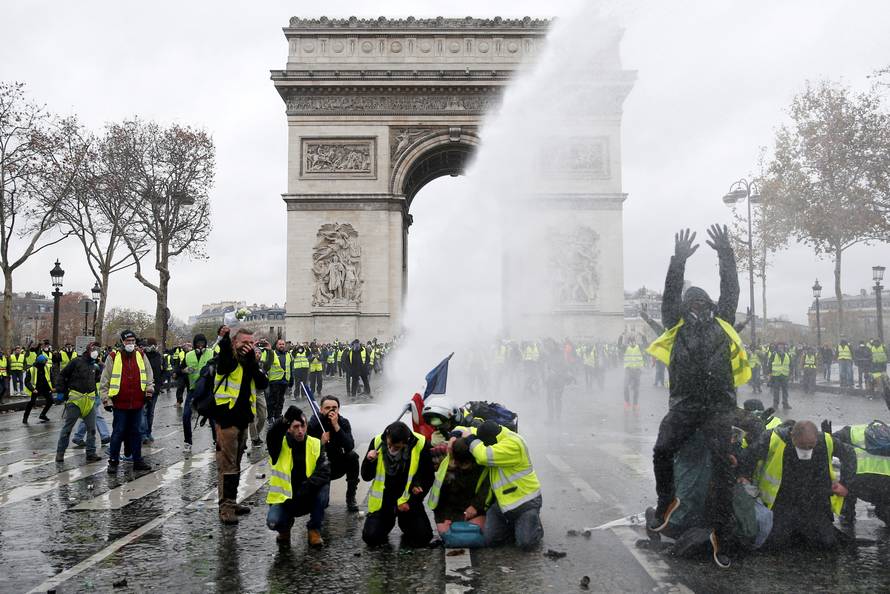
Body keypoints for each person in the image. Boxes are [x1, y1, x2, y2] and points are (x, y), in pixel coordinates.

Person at [645, 225, 747, 569]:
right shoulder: (675, 325)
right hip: (687, 405)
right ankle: (665, 502)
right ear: (685, 307)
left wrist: (725, 253)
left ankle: (723, 535)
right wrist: (678, 261)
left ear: (712, 306)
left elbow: (731, 288)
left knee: (722, 474)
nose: (698, 307)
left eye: (703, 303)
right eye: (693, 303)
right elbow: (669, 295)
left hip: (718, 408)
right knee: (661, 451)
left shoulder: (725, 321)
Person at [738, 420, 852, 550]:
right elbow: (748, 456)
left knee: (826, 543)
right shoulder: (773, 439)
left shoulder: (825, 441)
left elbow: (850, 455)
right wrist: (744, 476)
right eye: (802, 445)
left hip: (813, 502)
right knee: (774, 544)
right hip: (781, 502)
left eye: (811, 446)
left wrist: (845, 484)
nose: (806, 450)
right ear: (793, 436)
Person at [452, 420, 543, 551]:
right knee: (491, 540)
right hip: (502, 504)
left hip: (525, 503)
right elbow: (465, 429)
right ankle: (516, 525)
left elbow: (483, 456)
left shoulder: (513, 444)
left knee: (525, 544)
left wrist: (471, 439)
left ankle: (535, 526)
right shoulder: (494, 432)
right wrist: (454, 435)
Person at [213, 327, 268, 524]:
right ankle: (225, 507)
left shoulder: (250, 362)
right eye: (244, 342)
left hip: (244, 418)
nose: (248, 346)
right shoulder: (228, 359)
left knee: (236, 463)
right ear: (235, 343)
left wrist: (253, 360)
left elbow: (262, 383)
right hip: (226, 417)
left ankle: (232, 501)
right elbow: (225, 356)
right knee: (226, 464)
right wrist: (225, 337)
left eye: (251, 343)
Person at [361, 421, 434, 547]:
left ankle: (405, 523)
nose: (391, 449)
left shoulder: (420, 444)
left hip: (407, 500)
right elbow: (366, 476)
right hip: (384, 502)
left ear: (406, 441)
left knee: (423, 537)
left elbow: (428, 477)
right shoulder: (378, 441)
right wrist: (369, 461)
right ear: (387, 436)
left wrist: (412, 501)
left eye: (397, 447)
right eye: (389, 445)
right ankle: (387, 522)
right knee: (371, 538)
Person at [266, 406, 330, 547]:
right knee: (273, 522)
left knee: (324, 487)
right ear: (289, 428)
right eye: (295, 426)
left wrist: (305, 488)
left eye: (303, 426)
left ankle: (314, 529)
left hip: (307, 495)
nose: (300, 430)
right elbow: (271, 435)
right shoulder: (279, 445)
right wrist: (284, 420)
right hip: (285, 499)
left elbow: (324, 472)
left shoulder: (316, 444)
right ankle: (284, 529)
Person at [100, 330, 155, 473]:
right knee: (118, 432)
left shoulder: (141, 356)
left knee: (136, 432)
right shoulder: (113, 356)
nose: (130, 344)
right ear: (122, 342)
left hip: (137, 402)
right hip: (120, 403)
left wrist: (149, 392)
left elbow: (149, 376)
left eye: (132, 341)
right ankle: (113, 461)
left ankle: (137, 460)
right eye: (127, 341)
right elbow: (105, 380)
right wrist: (106, 400)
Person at [429, 437, 490, 539]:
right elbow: (440, 501)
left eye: (467, 464)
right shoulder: (445, 468)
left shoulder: (482, 464)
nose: (465, 467)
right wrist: (446, 518)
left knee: (478, 533)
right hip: (451, 510)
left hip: (474, 510)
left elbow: (486, 489)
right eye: (462, 464)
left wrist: (475, 506)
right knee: (446, 533)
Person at [307, 395, 360, 512]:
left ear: (338, 409)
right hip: (319, 466)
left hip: (337, 464)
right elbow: (306, 452)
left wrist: (336, 426)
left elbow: (349, 446)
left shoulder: (343, 422)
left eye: (334, 408)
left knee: (352, 457)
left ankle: (351, 497)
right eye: (327, 408)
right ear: (321, 409)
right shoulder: (314, 423)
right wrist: (321, 443)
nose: (331, 410)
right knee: (322, 504)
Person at [832, 422, 890, 526]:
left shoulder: (851, 432)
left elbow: (831, 445)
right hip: (886, 485)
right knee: (884, 508)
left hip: (856, 481)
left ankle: (847, 516)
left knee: (847, 473)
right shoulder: (887, 436)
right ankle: (884, 512)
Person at [54, 342, 102, 463]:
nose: (96, 351)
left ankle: (91, 453)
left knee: (91, 429)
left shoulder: (94, 365)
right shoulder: (76, 362)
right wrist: (61, 392)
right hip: (75, 400)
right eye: (94, 348)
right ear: (88, 350)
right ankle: (60, 453)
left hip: (89, 401)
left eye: (98, 349)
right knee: (67, 429)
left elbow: (94, 380)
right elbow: (62, 375)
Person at [142, 338, 164, 444]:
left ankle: (148, 432)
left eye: (154, 345)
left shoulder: (158, 356)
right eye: (151, 345)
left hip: (155, 389)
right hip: (145, 388)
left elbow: (162, 371)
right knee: (144, 412)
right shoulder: (143, 356)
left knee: (150, 412)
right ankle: (143, 434)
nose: (153, 347)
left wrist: (160, 385)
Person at [265, 339, 293, 424]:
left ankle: (278, 416)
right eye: (280, 344)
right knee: (273, 400)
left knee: (281, 400)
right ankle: (270, 417)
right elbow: (266, 365)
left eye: (283, 344)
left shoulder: (288, 355)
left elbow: (290, 368)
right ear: (276, 345)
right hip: (274, 380)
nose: (281, 346)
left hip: (284, 381)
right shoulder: (272, 353)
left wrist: (291, 380)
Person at [23, 353, 54, 424]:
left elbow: (51, 378)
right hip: (36, 389)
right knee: (32, 403)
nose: (46, 363)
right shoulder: (31, 369)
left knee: (51, 401)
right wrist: (32, 389)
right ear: (41, 362)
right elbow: (27, 382)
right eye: (45, 361)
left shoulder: (47, 367)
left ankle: (43, 415)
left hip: (45, 388)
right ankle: (25, 417)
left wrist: (53, 387)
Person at [623, 335, 644, 411]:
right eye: (630, 341)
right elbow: (619, 346)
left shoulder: (639, 347)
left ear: (635, 341)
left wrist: (643, 336)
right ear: (628, 342)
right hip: (628, 370)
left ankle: (635, 404)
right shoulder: (626, 348)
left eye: (633, 340)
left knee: (636, 388)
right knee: (625, 386)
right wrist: (621, 337)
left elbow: (646, 344)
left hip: (637, 370)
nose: (632, 342)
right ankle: (627, 402)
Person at [768, 343, 792, 410]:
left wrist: (791, 374)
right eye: (779, 347)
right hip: (776, 376)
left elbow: (791, 365)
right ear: (777, 348)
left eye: (782, 347)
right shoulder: (773, 355)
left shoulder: (788, 355)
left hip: (785, 375)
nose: (781, 348)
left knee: (785, 391)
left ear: (784, 348)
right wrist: (769, 373)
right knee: (776, 391)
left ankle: (785, 404)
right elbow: (769, 364)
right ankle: (775, 405)